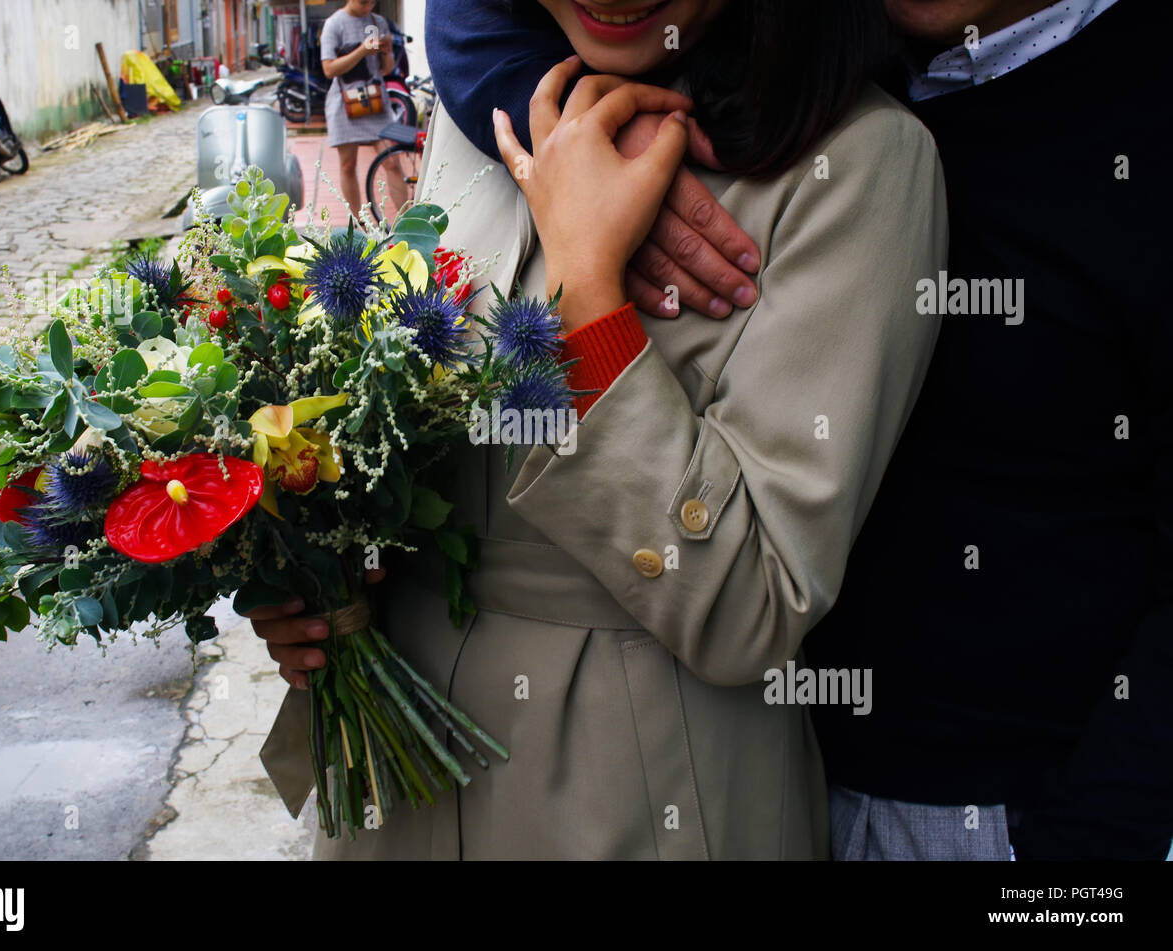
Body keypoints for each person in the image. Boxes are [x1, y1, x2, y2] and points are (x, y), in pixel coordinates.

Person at [431, 0, 1173, 861]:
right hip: (760, 764)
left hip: (990, 809)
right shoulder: (792, 50)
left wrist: (1080, 866)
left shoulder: (896, 137)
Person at [251, 0, 947, 859]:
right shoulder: (492, 107)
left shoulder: (862, 161)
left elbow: (754, 602)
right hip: (401, 777)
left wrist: (590, 296)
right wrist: (323, 577)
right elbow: (420, 432)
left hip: (648, 787)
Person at [319, 0, 408, 220]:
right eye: (363, 1)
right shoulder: (334, 24)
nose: (368, 5)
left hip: (376, 102)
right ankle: (359, 224)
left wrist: (386, 51)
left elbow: (386, 70)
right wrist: (362, 50)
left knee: (392, 161)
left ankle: (408, 220)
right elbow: (329, 69)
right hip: (344, 103)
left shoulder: (378, 22)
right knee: (348, 165)